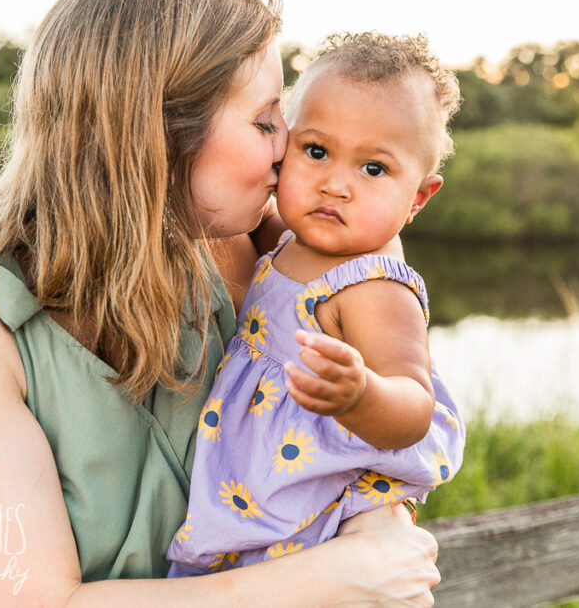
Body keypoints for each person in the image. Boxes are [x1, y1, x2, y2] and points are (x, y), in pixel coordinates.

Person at [0, 0, 442, 606]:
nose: (288, 149)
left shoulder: (244, 244)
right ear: (157, 135)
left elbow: (368, 424)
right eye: (267, 121)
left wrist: (376, 516)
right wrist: (341, 576)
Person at [167, 33, 465, 576]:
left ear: (418, 197)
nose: (335, 185)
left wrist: (361, 393)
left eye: (373, 169)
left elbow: (415, 407)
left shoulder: (373, 287)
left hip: (307, 499)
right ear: (286, 149)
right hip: (253, 485)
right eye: (317, 151)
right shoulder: (285, 238)